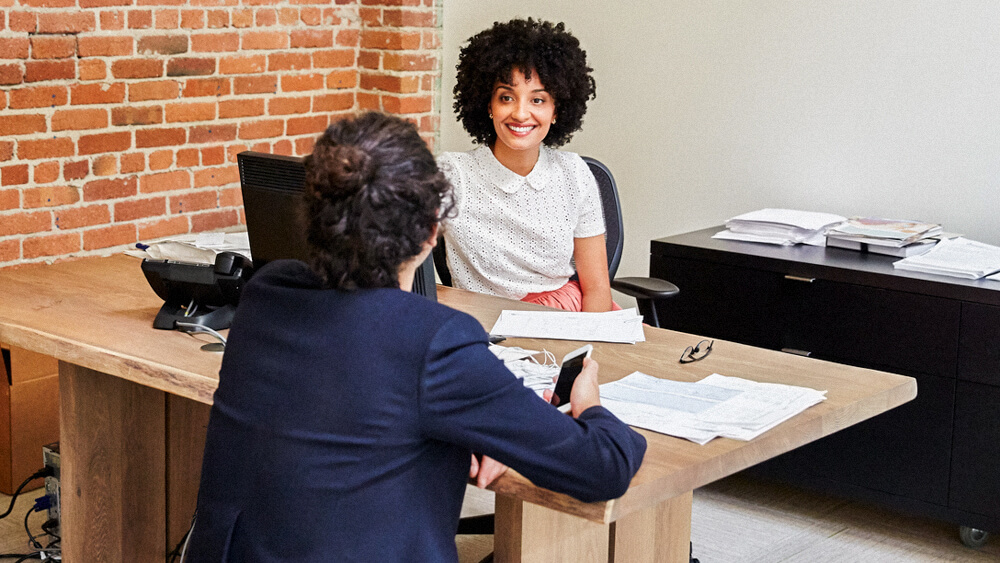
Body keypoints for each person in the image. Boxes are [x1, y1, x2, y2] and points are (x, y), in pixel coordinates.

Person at [183, 112, 646, 562]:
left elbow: (357, 401)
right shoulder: (434, 341)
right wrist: (589, 406)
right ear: (431, 232)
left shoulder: (268, 292)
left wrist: (474, 422)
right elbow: (603, 468)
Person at [439, 18, 616, 312]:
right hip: (486, 324)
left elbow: (597, 288)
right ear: (488, 105)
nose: (521, 114)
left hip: (568, 319)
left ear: (556, 110)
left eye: (538, 100)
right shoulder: (452, 174)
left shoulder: (574, 173)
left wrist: (587, 348)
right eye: (506, 97)